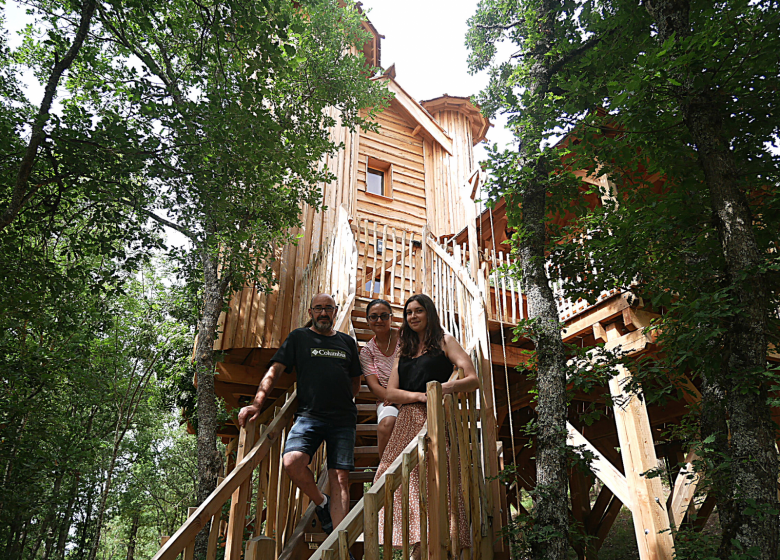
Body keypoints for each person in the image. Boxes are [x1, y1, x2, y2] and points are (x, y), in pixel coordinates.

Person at [238, 293, 362, 537]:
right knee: (292, 461)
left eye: (328, 308)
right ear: (310, 312)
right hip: (309, 416)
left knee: (340, 479)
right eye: (318, 308)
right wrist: (257, 404)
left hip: (343, 418)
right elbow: (275, 371)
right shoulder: (299, 337)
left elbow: (355, 379)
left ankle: (338, 545)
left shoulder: (347, 342)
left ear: (336, 311)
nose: (323, 313)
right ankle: (322, 502)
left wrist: (345, 397)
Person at [375, 293, 479, 558]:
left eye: (418, 311)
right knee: (389, 479)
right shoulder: (404, 350)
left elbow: (472, 378)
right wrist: (421, 395)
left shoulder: (445, 341)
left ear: (429, 313)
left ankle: (436, 545)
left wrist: (444, 388)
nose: (413, 316)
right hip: (407, 419)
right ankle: (416, 544)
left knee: (436, 480)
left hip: (435, 418)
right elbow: (391, 392)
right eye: (409, 312)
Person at [359, 299, 400, 460]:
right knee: (386, 424)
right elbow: (373, 386)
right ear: (368, 321)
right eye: (373, 317)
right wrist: (395, 399)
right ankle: (384, 472)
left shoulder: (405, 337)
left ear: (391, 317)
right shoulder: (367, 351)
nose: (379, 320)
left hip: (415, 393)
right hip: (387, 399)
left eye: (384, 316)